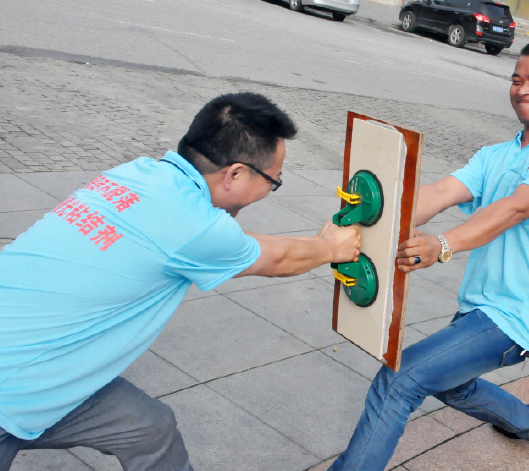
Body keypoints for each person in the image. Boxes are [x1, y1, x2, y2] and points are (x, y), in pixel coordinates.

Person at [0, 92, 361, 471]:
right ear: (235, 174)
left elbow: (227, 243)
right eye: (274, 179)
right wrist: (330, 249)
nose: (271, 188)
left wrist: (320, 244)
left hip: (40, 364)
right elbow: (276, 259)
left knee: (148, 428)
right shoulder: (196, 226)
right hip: (15, 388)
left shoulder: (139, 174)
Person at [330, 38, 529, 470]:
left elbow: (514, 209)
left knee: (399, 379)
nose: (522, 90)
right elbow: (439, 193)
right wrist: (371, 218)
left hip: (515, 318)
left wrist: (441, 245)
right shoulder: (497, 155)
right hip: (477, 307)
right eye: (516, 80)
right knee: (453, 385)